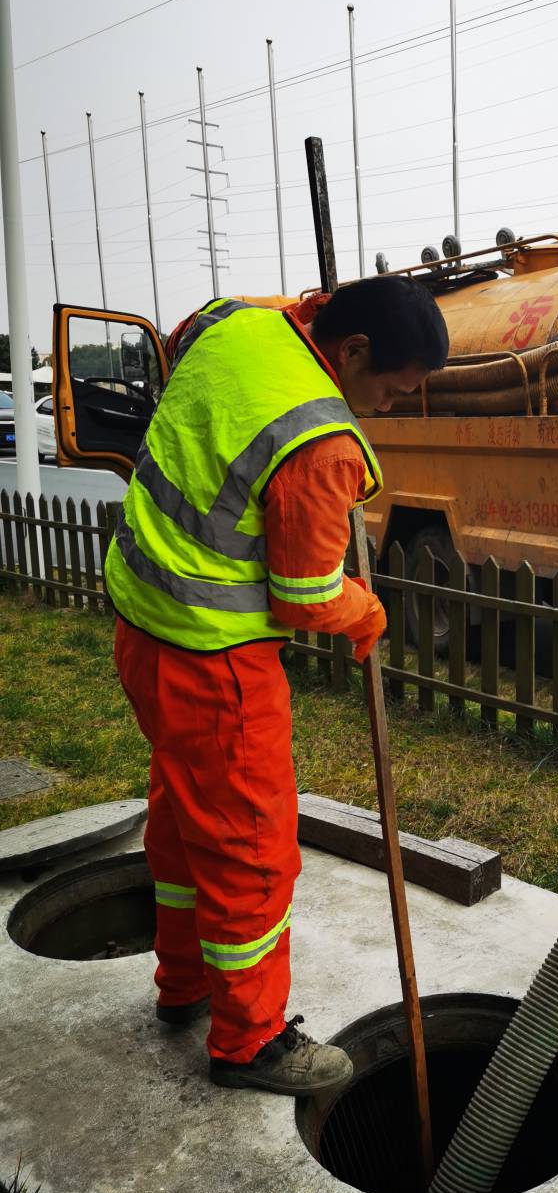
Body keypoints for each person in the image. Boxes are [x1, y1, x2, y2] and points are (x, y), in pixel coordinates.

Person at [108, 276, 449, 1095]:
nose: (391, 411)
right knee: (250, 851)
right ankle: (250, 1042)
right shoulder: (320, 443)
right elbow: (303, 596)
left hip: (143, 627)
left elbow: (194, 327)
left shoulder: (237, 327)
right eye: (393, 392)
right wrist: (365, 612)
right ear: (354, 351)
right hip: (215, 663)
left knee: (184, 820)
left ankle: (184, 987)